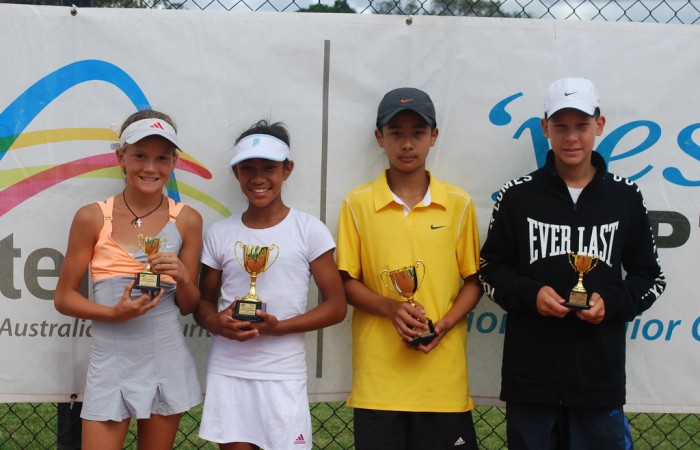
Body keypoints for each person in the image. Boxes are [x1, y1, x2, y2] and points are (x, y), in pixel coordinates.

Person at [479, 77, 667, 450]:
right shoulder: (517, 196)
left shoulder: (625, 197)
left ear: (599, 125)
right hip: (530, 378)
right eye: (561, 126)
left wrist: (610, 303)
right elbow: (489, 269)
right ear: (545, 127)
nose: (571, 138)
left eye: (581, 125)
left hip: (598, 378)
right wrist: (530, 295)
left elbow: (651, 277)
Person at [336, 87, 482, 449]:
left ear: (434, 136)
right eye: (396, 133)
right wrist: (391, 308)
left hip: (442, 382)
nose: (406, 144)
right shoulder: (357, 203)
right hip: (378, 384)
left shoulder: (459, 204)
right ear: (379, 138)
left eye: (417, 133)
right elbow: (346, 282)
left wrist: (444, 325)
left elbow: (474, 281)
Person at [54, 109, 203, 450]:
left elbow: (188, 306)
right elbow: (63, 298)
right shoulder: (92, 217)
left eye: (161, 158)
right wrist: (113, 314)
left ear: (173, 162)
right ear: (120, 157)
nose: (150, 168)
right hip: (111, 362)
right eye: (139, 156)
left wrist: (183, 277)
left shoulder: (188, 220)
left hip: (165, 359)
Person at [194, 120, 346, 450]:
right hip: (229, 370)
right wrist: (217, 324)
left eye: (269, 167)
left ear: (287, 170)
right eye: (247, 168)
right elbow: (202, 306)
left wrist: (280, 328)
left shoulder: (309, 230)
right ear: (236, 173)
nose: (258, 178)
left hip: (283, 373)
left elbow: (336, 306)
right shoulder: (220, 233)